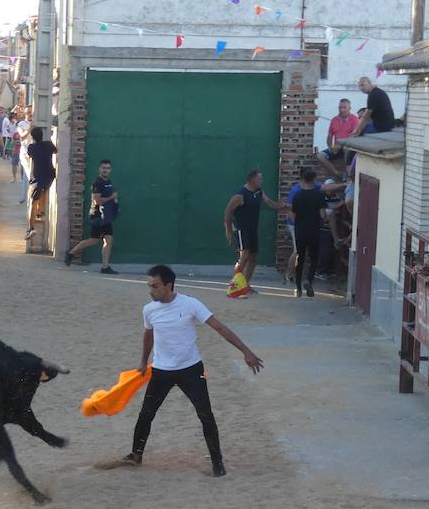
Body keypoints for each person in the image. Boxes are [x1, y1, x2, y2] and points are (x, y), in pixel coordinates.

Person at [100, 264, 263, 477]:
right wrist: (143, 361)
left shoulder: (190, 304)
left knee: (205, 415)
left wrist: (246, 351)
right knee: (146, 414)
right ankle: (136, 455)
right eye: (149, 286)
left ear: (168, 285)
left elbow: (219, 327)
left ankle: (217, 462)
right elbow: (148, 335)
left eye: (155, 286)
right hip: (161, 371)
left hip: (191, 370)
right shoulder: (149, 309)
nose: (151, 290)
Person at [223, 169, 287, 295]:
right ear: (253, 180)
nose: (261, 181)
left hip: (253, 229)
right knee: (244, 255)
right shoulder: (240, 195)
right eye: (260, 178)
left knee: (253, 258)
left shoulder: (259, 191)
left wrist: (282, 207)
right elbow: (227, 212)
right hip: (241, 229)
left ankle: (245, 285)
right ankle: (235, 286)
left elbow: (269, 202)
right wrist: (229, 231)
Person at [67, 160, 120, 273]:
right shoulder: (97, 183)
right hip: (97, 217)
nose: (106, 170)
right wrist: (112, 197)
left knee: (108, 240)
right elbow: (98, 201)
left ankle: (105, 267)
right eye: (104, 168)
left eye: (108, 168)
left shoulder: (108, 182)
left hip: (106, 217)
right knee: (93, 241)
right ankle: (71, 252)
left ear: (110, 170)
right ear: (99, 169)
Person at [289, 168, 332, 297]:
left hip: (300, 231)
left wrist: (297, 223)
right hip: (314, 230)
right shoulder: (319, 195)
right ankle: (308, 280)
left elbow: (292, 213)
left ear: (304, 180)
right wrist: (326, 219)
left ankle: (298, 288)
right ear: (313, 180)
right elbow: (323, 214)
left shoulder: (297, 195)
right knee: (313, 258)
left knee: (300, 258)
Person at [315, 98, 360, 178]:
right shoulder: (334, 120)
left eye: (344, 107)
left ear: (349, 108)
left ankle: (348, 174)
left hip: (348, 147)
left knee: (346, 149)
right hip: (336, 147)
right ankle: (337, 173)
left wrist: (341, 145)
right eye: (340, 107)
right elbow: (330, 135)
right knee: (320, 156)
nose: (342, 110)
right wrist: (330, 146)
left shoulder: (355, 120)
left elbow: (354, 136)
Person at [25, 127, 56, 239]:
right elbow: (56, 150)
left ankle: (31, 228)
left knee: (32, 201)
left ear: (32, 137)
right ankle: (40, 211)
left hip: (38, 177)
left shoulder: (32, 147)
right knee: (44, 191)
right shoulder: (48, 145)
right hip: (50, 175)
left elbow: (29, 156)